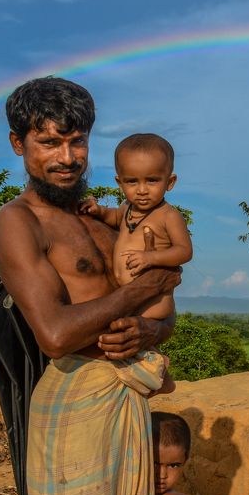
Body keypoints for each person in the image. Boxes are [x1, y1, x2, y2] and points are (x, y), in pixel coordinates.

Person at [0, 76, 181, 495]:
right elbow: (55, 335)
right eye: (49, 142)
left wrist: (151, 329)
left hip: (124, 398)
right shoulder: (18, 222)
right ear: (19, 144)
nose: (67, 157)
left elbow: (163, 309)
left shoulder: (105, 219)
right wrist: (143, 289)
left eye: (77, 141)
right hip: (73, 401)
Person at [80, 133, 193, 395]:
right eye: (132, 181)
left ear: (170, 182)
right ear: (120, 183)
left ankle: (159, 371)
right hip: (130, 296)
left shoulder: (168, 216)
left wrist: (150, 258)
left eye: (152, 180)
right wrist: (98, 212)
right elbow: (114, 217)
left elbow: (184, 251)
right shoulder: (127, 208)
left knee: (131, 335)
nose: (142, 190)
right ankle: (154, 368)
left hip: (153, 298)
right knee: (124, 336)